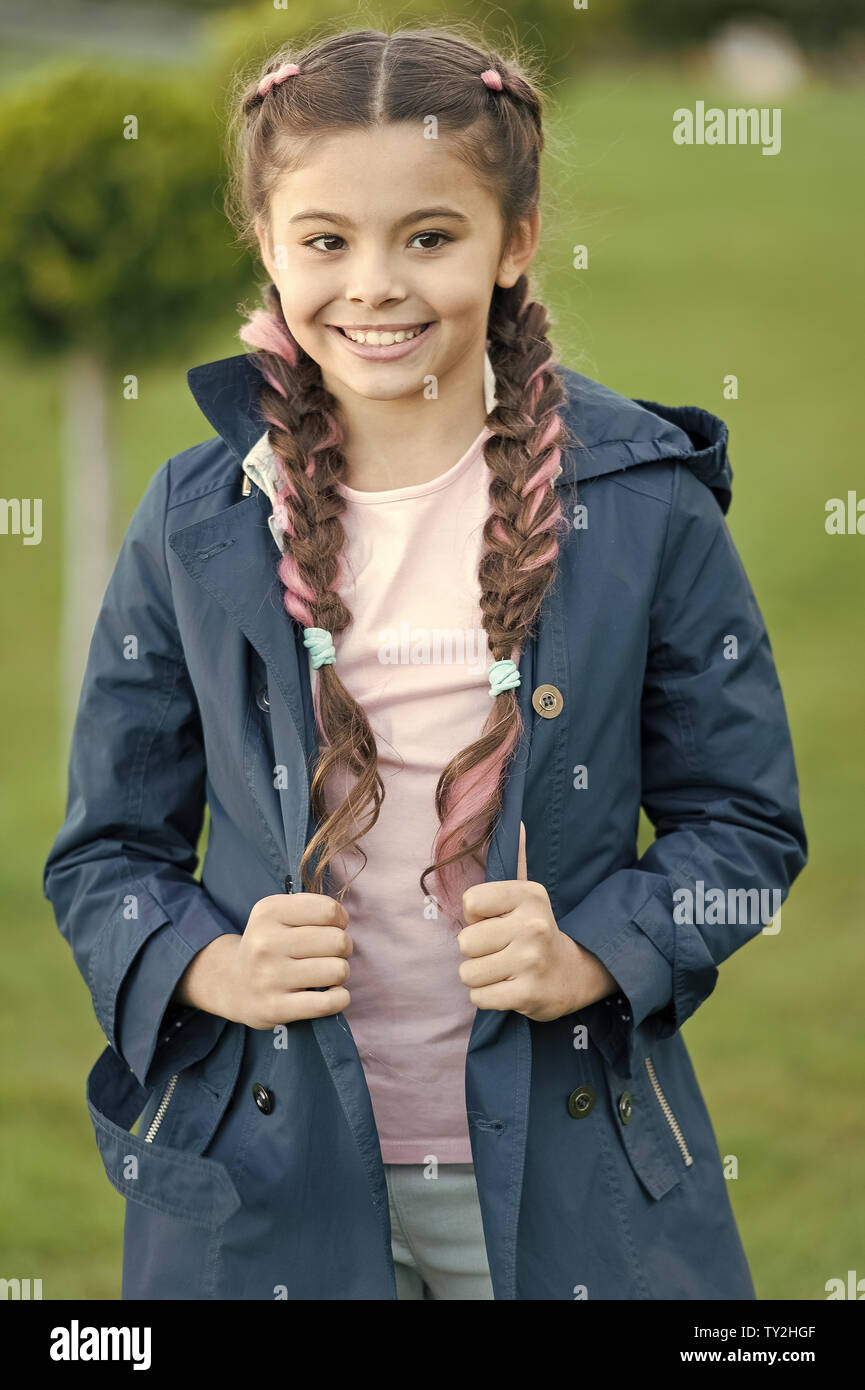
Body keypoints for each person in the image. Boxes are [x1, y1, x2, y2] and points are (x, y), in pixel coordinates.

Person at [43, 24, 807, 1301]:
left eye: (430, 237)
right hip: (266, 1189)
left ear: (514, 241)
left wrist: (599, 949)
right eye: (326, 241)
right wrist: (208, 964)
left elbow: (742, 825)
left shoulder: (642, 502)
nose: (376, 286)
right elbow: (103, 854)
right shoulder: (196, 518)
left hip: (576, 1182)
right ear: (270, 246)